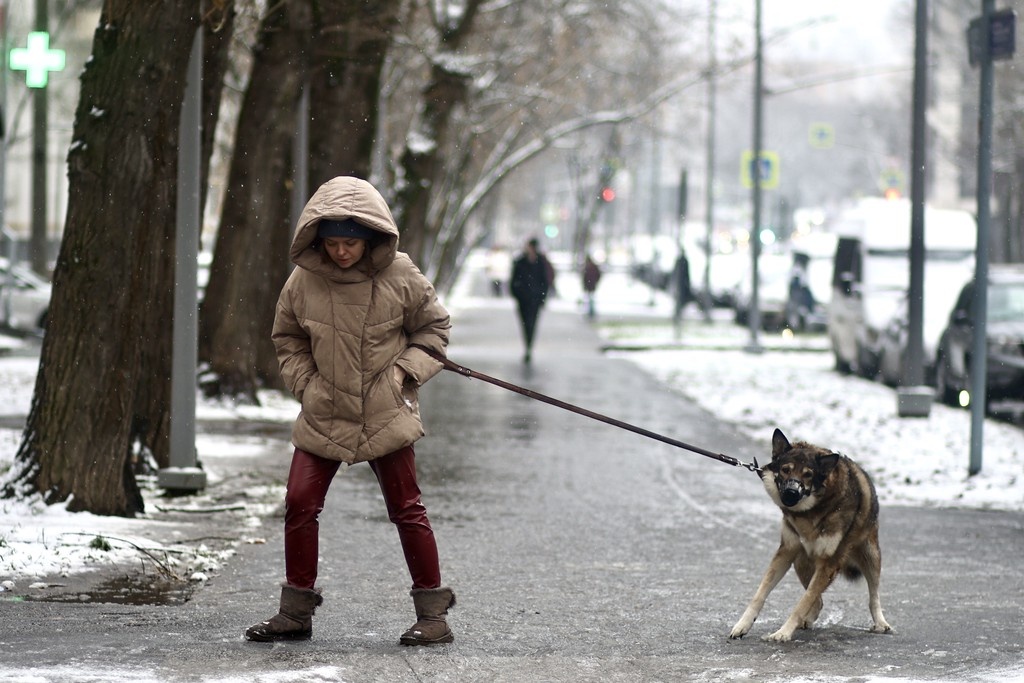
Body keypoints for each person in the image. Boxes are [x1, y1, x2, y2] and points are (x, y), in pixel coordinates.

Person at [245, 176, 455, 647]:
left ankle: (433, 616)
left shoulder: (401, 274)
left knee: (407, 508)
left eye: (351, 243)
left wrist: (404, 374)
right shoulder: (303, 280)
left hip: (385, 411)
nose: (342, 252)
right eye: (334, 242)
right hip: (325, 410)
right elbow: (288, 338)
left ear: (371, 238)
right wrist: (306, 385)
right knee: (299, 503)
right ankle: (294, 613)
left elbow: (435, 331)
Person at [509, 237, 554, 363]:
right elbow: (513, 280)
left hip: (535, 300)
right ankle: (527, 345)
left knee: (532, 323)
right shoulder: (520, 261)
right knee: (525, 324)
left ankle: (529, 347)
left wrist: (541, 296)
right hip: (523, 300)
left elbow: (545, 280)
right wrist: (517, 294)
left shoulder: (540, 263)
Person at [672, 248, 692, 325]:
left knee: (680, 301)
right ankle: (677, 315)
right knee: (679, 301)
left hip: (681, 285)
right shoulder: (681, 261)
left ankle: (678, 315)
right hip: (681, 285)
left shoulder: (682, 261)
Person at [581, 254, 602, 319]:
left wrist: (586, 284)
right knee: (591, 299)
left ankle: (591, 312)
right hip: (591, 284)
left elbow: (585, 277)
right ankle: (591, 312)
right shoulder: (593, 266)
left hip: (589, 285)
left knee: (590, 299)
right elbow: (598, 274)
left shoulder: (588, 267)